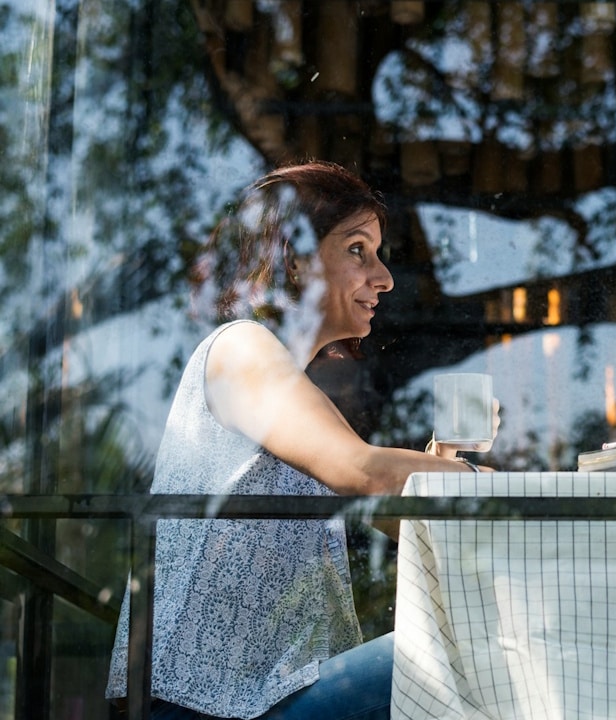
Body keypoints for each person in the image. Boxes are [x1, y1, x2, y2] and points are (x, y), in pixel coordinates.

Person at [105, 161, 496, 719]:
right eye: (358, 250)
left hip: (251, 700)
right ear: (294, 257)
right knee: (464, 658)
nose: (382, 278)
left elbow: (384, 506)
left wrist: (437, 468)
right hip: (197, 706)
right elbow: (359, 470)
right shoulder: (242, 349)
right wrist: (521, 490)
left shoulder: (294, 399)